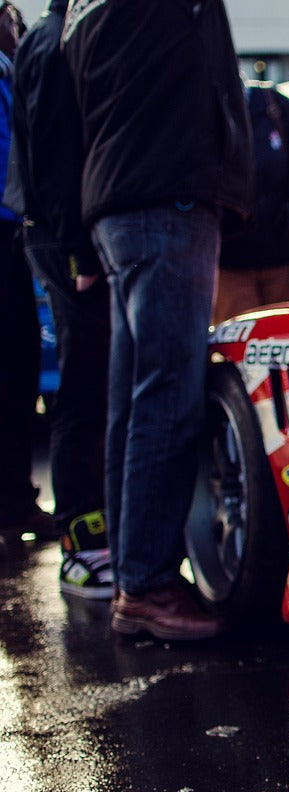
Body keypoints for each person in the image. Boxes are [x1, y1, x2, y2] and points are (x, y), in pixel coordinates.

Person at [63, 0, 252, 639]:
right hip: (163, 195)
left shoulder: (83, 11)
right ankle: (146, 583)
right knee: (166, 395)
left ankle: (134, 575)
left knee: (134, 402)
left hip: (121, 200)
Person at [10, 0, 111, 597]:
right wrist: (80, 251)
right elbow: (52, 158)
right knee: (83, 388)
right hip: (63, 236)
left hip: (62, 232)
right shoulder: (53, 43)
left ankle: (94, 536)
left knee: (94, 385)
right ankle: (82, 542)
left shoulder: (61, 35)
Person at [0, 1, 54, 561]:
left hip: (15, 229)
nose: (16, 28)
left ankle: (15, 500)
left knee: (19, 370)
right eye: (9, 20)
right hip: (7, 227)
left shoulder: (13, 70)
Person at [213, 79, 289, 324]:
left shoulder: (273, 105)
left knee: (287, 329)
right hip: (230, 259)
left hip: (281, 250)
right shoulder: (208, 109)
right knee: (237, 332)